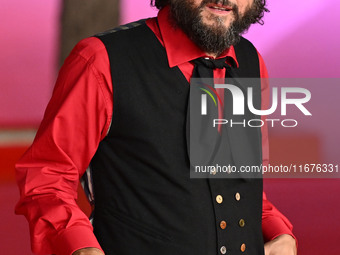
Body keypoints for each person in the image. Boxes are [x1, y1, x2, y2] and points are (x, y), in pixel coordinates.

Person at [15, 0, 298, 254]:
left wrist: (278, 231)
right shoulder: (100, 60)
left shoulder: (250, 62)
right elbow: (46, 179)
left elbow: (235, 182)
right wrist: (81, 247)